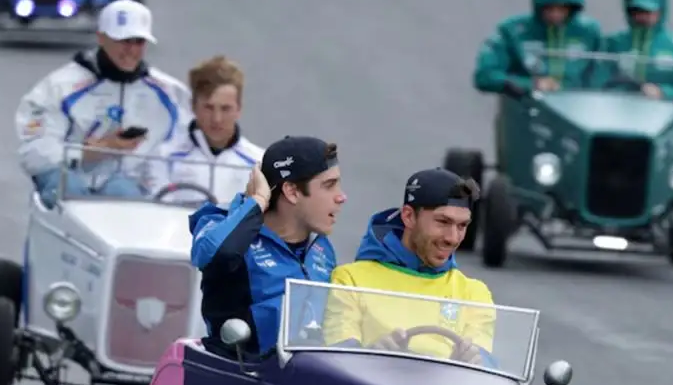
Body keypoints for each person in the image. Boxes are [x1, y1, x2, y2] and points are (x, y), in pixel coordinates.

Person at [14, 0, 192, 206]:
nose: (131, 50)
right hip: (69, 184)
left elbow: (185, 149)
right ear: (101, 38)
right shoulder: (59, 87)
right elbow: (34, 153)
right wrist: (86, 153)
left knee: (122, 192)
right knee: (72, 193)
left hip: (131, 189)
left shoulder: (171, 94)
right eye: (123, 41)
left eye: (138, 41)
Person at [324, 168, 497, 367]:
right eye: (443, 221)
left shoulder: (475, 294)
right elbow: (336, 360)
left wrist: (471, 365)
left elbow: (486, 367)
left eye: (462, 226)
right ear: (408, 216)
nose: (453, 238)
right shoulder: (349, 280)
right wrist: (371, 357)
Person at [189, 136, 344, 355]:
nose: (341, 196)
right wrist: (259, 200)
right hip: (239, 378)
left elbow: (331, 324)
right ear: (291, 191)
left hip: (307, 378)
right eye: (329, 185)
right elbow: (214, 255)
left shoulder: (321, 247)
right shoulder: (221, 224)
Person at [149, 55, 265, 205]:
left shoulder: (260, 164)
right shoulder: (163, 157)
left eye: (225, 109)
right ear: (193, 106)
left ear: (239, 109)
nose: (217, 119)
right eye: (209, 108)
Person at [472, 0, 602, 96]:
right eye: (549, 8)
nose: (555, 15)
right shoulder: (513, 31)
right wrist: (531, 84)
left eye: (562, 8)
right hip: (527, 111)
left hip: (576, 111)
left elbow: (605, 72)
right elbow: (485, 75)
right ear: (538, 7)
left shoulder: (589, 32)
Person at [599, 0, 673, 102]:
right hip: (616, 108)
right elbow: (597, 81)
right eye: (636, 11)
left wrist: (663, 92)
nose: (642, 16)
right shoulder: (613, 43)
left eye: (648, 11)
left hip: (664, 113)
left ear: (661, 11)